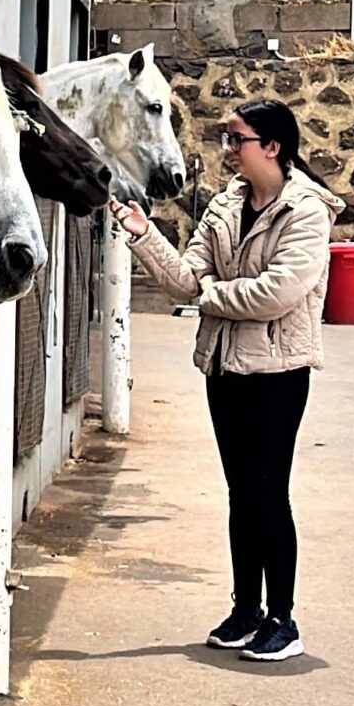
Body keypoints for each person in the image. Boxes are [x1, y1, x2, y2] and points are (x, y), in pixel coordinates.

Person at [112, 99, 338, 662]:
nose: (228, 149)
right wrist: (144, 236)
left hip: (278, 372)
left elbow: (278, 293)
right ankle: (247, 609)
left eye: (237, 139)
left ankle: (284, 620)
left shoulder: (307, 212)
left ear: (273, 146)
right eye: (226, 138)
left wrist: (211, 297)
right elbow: (186, 281)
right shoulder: (224, 206)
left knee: (269, 493)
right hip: (224, 368)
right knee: (242, 493)